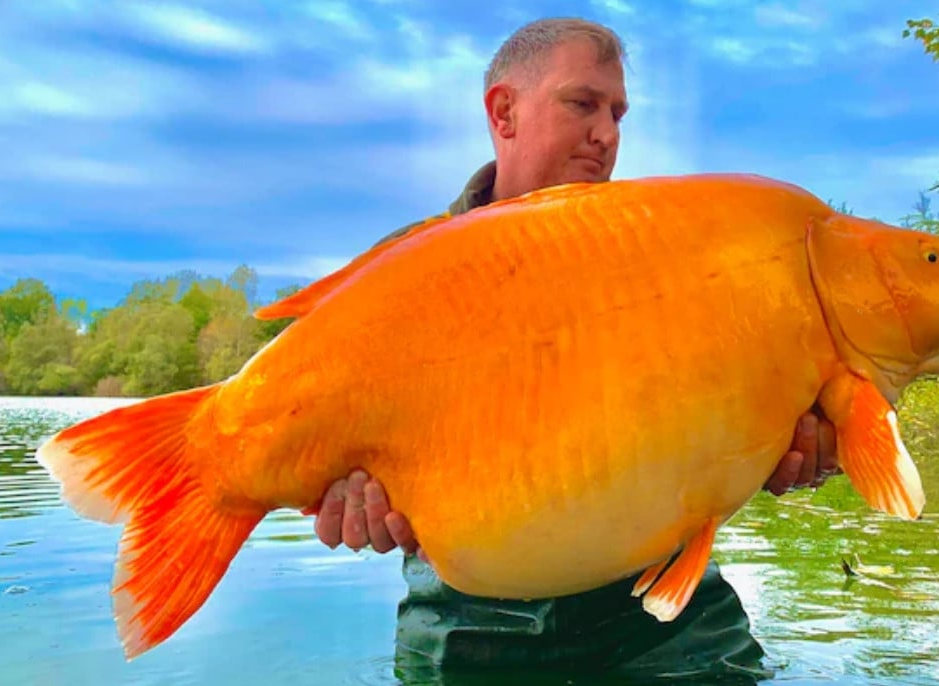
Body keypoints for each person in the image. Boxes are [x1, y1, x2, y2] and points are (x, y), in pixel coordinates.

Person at [312, 17, 839, 683]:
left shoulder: (671, 256)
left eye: (617, 112)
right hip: (463, 626)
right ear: (504, 111)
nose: (608, 134)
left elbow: (742, 420)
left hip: (666, 620)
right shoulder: (400, 275)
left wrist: (800, 448)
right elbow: (334, 460)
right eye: (582, 104)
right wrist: (347, 505)